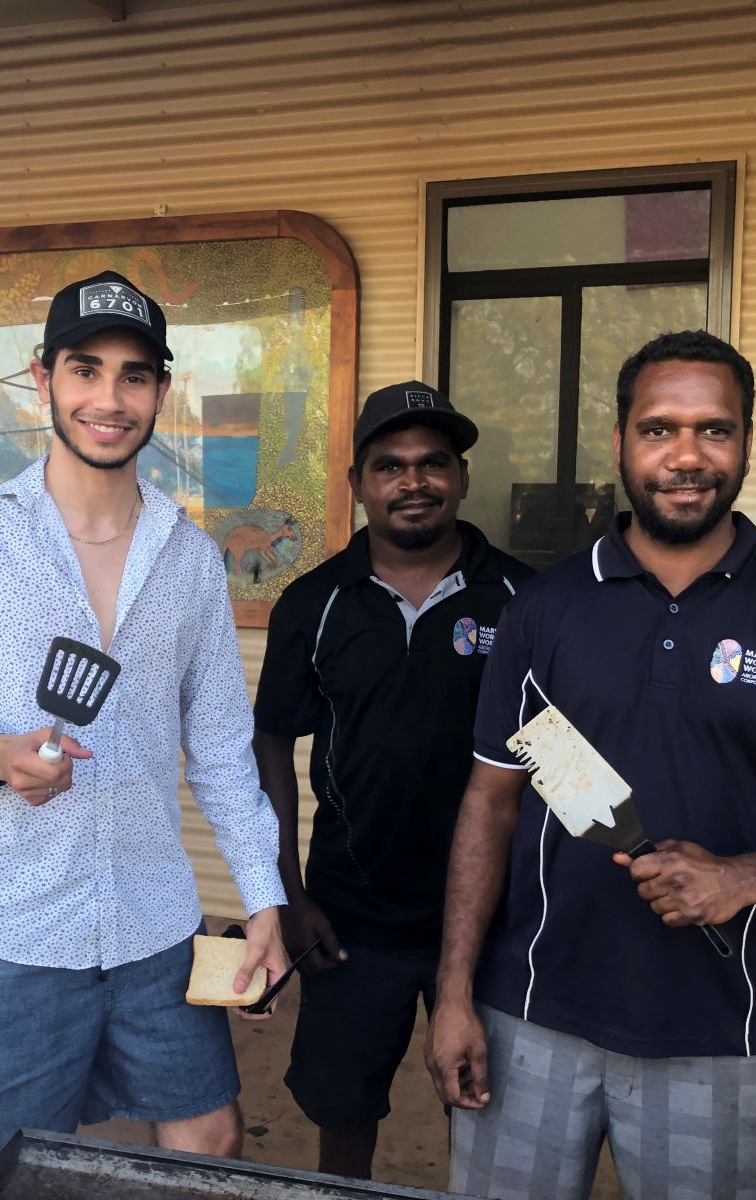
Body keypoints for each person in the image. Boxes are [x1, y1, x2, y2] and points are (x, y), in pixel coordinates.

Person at [425, 330, 756, 1200]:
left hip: (715, 1030)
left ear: (745, 443)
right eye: (659, 429)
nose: (686, 456)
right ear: (620, 443)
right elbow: (492, 802)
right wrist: (456, 992)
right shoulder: (544, 610)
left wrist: (742, 878)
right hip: (530, 1016)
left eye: (713, 431)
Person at [0, 269, 288, 1157]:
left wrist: (265, 894)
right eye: (86, 370)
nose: (110, 397)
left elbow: (219, 751)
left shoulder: (191, 558)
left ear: (161, 392)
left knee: (210, 1137)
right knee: (8, 1163)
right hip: (4, 929)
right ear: (41, 375)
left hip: (152, 922)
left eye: (135, 376)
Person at [252, 381, 531, 1178]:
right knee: (343, 1112)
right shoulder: (314, 604)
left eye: (432, 463)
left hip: (494, 919)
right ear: (359, 484)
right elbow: (271, 744)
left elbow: (556, 755)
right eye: (390, 465)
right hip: (350, 917)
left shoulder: (522, 600)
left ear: (462, 476)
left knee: (484, 1104)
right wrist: (290, 897)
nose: (413, 481)